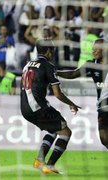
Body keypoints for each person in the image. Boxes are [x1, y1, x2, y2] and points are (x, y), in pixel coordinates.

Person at [20, 39, 80, 174]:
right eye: (52, 49)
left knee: (53, 130)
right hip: (38, 107)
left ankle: (39, 160)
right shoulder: (48, 65)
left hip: (24, 108)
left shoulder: (27, 65)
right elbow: (57, 94)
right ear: (48, 51)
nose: (53, 52)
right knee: (66, 133)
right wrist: (72, 103)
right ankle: (50, 165)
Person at [57, 38, 108, 149]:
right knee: (104, 139)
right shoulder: (91, 64)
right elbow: (73, 74)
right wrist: (56, 73)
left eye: (96, 49)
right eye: (92, 49)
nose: (93, 51)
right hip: (102, 106)